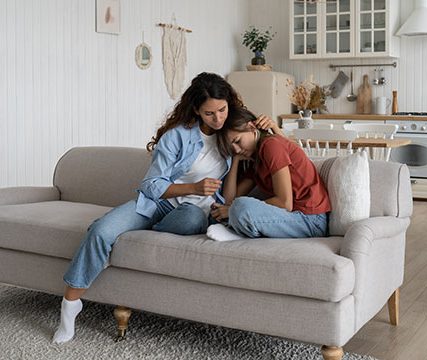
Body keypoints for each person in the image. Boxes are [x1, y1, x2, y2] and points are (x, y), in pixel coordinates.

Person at [52, 72, 280, 344]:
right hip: (155, 204)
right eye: (209, 113)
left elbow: (278, 156)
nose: (218, 119)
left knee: (191, 217)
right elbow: (150, 185)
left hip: (194, 213)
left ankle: (144, 231)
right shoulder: (177, 137)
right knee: (101, 230)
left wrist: (275, 130)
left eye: (222, 109)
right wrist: (193, 188)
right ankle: (70, 307)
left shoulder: (233, 133)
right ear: (196, 110)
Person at [208, 107, 330, 241]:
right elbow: (229, 199)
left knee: (240, 208)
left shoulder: (271, 145)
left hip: (311, 220)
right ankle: (237, 226)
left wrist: (231, 210)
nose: (237, 149)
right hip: (291, 217)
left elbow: (285, 203)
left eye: (237, 141)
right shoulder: (255, 160)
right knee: (218, 213)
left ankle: (236, 229)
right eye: (232, 149)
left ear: (251, 127)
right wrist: (235, 159)